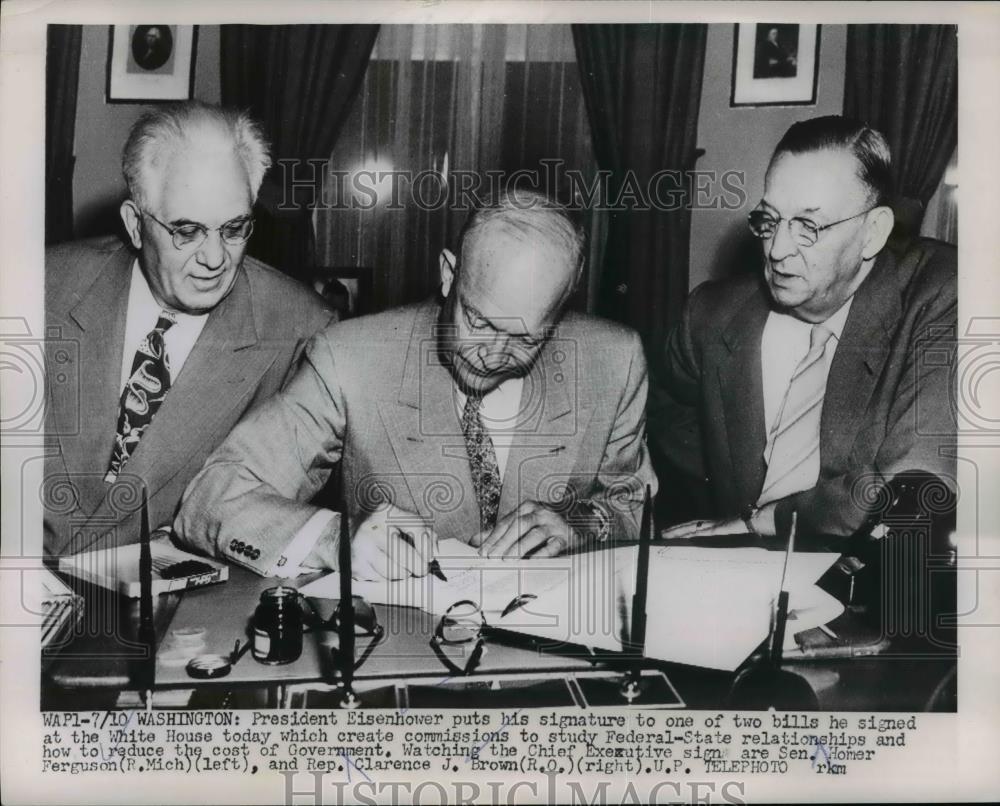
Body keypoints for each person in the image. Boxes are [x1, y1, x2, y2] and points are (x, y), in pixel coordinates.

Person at [175, 189, 656, 579]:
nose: (492, 356)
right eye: (480, 322)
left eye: (525, 338)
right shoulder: (351, 359)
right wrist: (333, 540)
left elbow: (633, 504)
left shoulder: (613, 361)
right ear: (449, 274)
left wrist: (581, 525)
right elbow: (211, 497)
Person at [44, 101, 332, 560]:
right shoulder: (41, 288)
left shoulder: (301, 330)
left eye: (234, 228)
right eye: (187, 230)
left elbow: (262, 514)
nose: (215, 258)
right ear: (135, 225)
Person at [649, 115, 956, 543]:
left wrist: (763, 519)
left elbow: (908, 485)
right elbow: (668, 417)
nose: (776, 249)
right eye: (769, 219)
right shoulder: (711, 313)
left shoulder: (942, 292)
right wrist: (725, 505)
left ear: (873, 233)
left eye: (808, 226)